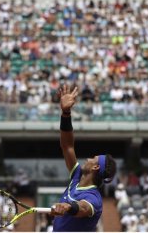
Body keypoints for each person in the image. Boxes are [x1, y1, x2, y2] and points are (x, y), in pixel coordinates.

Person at [51, 85, 117, 232]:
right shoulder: (76, 176)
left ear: (95, 167)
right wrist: (65, 113)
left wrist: (68, 207)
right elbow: (67, 146)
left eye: (93, 158)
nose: (88, 158)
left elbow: (83, 208)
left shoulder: (94, 198)